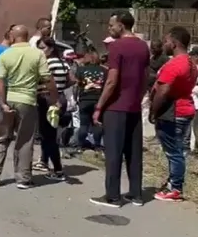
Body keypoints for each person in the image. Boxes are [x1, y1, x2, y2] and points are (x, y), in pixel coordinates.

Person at [0, 25, 59, 189]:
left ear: (12, 37)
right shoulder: (37, 54)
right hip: (27, 101)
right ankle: (23, 178)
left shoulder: (5, 55)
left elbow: (0, 82)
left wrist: (2, 103)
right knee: (24, 140)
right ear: (26, 37)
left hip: (8, 99)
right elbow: (48, 79)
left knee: (3, 136)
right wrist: (54, 100)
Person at [90, 11, 150, 208]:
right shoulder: (143, 46)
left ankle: (113, 196)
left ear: (121, 26)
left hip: (116, 107)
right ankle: (136, 194)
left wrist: (99, 106)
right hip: (134, 106)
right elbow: (146, 76)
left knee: (114, 152)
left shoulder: (117, 47)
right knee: (134, 153)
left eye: (111, 25)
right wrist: (139, 98)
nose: (110, 29)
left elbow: (112, 81)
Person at [150, 27, 197, 202]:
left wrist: (154, 111)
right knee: (178, 149)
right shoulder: (191, 63)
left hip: (173, 111)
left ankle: (175, 187)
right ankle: (173, 182)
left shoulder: (175, 64)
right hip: (184, 109)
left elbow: (163, 90)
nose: (164, 44)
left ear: (174, 42)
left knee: (174, 151)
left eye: (166, 41)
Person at [34, 37, 72, 180]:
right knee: (48, 133)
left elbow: (43, 79)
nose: (40, 51)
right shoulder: (63, 63)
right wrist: (61, 87)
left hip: (48, 99)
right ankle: (44, 161)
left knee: (48, 135)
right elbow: (72, 79)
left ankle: (58, 169)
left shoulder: (47, 62)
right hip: (60, 98)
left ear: (50, 48)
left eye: (42, 48)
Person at [74, 50, 106, 151]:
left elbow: (77, 86)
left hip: (85, 99)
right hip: (99, 99)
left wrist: (76, 98)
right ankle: (97, 145)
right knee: (97, 123)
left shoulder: (81, 70)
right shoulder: (104, 70)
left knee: (84, 124)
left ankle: (80, 145)